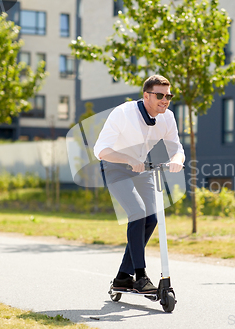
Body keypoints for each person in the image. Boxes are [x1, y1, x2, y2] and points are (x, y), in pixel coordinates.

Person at [94, 75, 185, 294]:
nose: (165, 100)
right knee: (137, 213)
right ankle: (141, 276)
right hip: (116, 166)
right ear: (146, 95)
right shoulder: (124, 113)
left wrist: (176, 161)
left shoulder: (168, 118)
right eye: (160, 95)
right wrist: (128, 159)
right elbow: (100, 150)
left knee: (151, 219)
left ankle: (123, 277)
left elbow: (177, 149)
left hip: (142, 167)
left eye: (169, 96)